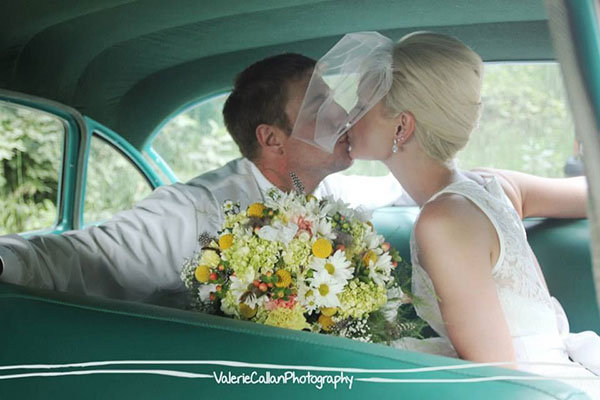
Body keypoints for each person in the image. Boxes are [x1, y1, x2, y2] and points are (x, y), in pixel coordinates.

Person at [297, 31, 600, 397]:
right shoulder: (496, 186)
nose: (347, 117)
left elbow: (500, 383)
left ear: (402, 126)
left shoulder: (444, 223)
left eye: (362, 105)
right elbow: (592, 193)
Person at [0, 53, 354, 303]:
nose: (342, 114)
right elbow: (83, 259)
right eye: (319, 105)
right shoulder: (197, 211)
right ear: (272, 138)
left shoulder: (323, 195)